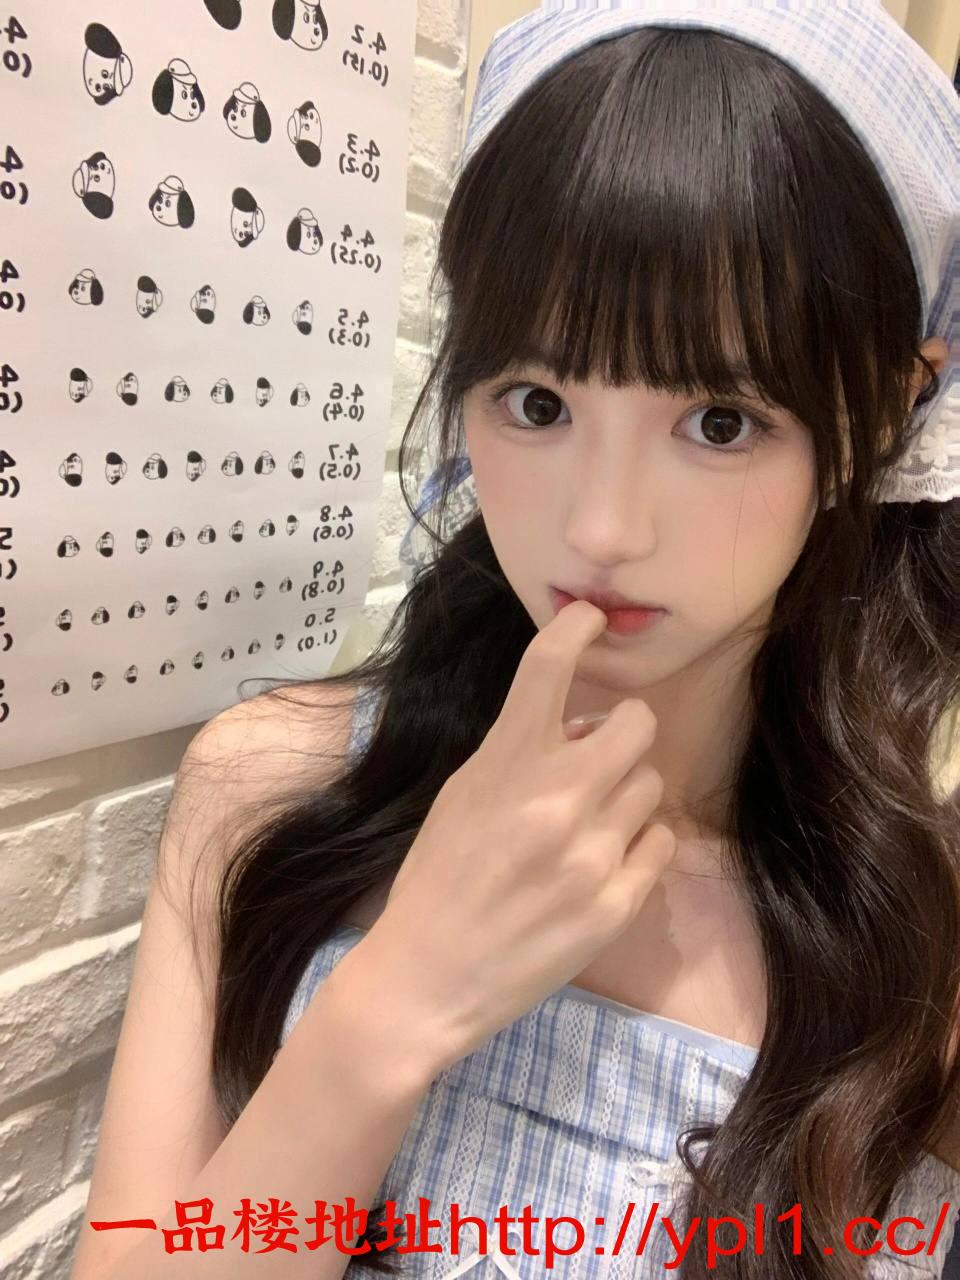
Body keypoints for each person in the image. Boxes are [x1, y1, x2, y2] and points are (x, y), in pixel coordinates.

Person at [72, 3, 960, 1278]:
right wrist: (394, 1004)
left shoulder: (923, 957)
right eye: (537, 400)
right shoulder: (268, 788)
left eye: (721, 420)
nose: (599, 528)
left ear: (881, 411)